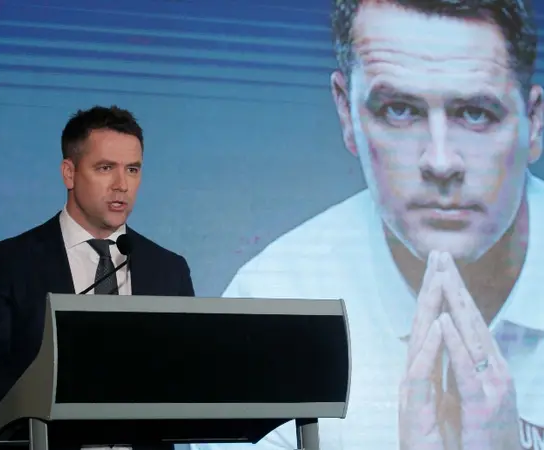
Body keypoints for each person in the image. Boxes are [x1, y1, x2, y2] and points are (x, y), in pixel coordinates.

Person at [194, 1, 544, 450]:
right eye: (399, 109)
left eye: (476, 113)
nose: (440, 161)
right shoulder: (266, 314)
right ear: (346, 113)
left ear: (534, 122)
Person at [0, 105, 195, 450]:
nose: (121, 185)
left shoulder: (169, 269)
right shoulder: (10, 262)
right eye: (105, 168)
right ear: (69, 173)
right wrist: (51, 413)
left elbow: (187, 377)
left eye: (132, 169)